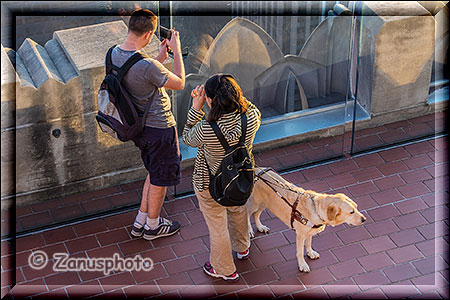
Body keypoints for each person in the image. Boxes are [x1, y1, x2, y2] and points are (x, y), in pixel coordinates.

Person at [111, 8, 185, 240]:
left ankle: (140, 220)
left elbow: (138, 73)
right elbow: (180, 83)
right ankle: (153, 227)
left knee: (154, 171)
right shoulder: (148, 67)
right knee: (161, 177)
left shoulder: (113, 53)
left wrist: (160, 58)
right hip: (160, 128)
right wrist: (177, 52)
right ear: (147, 35)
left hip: (138, 128)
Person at [182, 74, 261, 282]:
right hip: (241, 178)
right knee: (238, 210)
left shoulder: (207, 128)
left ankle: (224, 269)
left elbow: (188, 138)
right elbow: (250, 107)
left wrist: (196, 108)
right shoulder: (251, 116)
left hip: (211, 184)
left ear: (210, 100)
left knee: (218, 227)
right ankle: (242, 248)